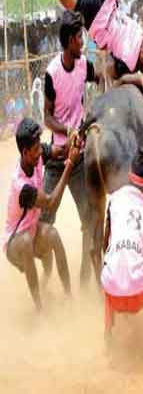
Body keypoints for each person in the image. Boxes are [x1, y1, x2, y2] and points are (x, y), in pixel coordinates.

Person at [42, 10, 101, 284]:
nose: (83, 41)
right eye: (79, 38)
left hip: (79, 160)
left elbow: (101, 77)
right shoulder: (52, 73)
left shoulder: (83, 66)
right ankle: (46, 272)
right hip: (57, 157)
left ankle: (85, 278)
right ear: (68, 41)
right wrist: (67, 129)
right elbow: (47, 116)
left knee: (88, 219)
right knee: (43, 220)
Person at [5, 118, 80, 311]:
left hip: (31, 231)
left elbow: (58, 150)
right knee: (25, 242)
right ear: (25, 152)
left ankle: (69, 296)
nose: (41, 151)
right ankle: (39, 308)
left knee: (53, 234)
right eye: (37, 149)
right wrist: (70, 163)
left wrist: (73, 142)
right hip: (14, 245)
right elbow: (50, 203)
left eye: (40, 146)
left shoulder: (35, 156)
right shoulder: (21, 186)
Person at [101, 148, 143, 340]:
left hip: (113, 297)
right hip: (139, 297)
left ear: (129, 174)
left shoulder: (114, 199)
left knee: (110, 257)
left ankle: (108, 329)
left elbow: (105, 245)